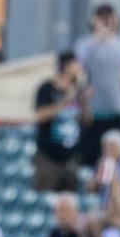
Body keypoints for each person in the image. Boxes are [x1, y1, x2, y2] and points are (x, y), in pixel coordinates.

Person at [74, 4, 120, 166]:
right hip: (94, 112)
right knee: (90, 158)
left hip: (117, 110)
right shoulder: (84, 44)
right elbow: (79, 72)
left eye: (109, 18)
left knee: (116, 158)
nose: (106, 22)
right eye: (102, 18)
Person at [33, 51, 89, 191]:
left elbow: (86, 120)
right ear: (66, 66)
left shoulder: (78, 89)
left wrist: (85, 101)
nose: (79, 68)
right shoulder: (47, 88)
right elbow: (40, 116)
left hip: (71, 159)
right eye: (76, 64)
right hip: (49, 157)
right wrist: (65, 101)